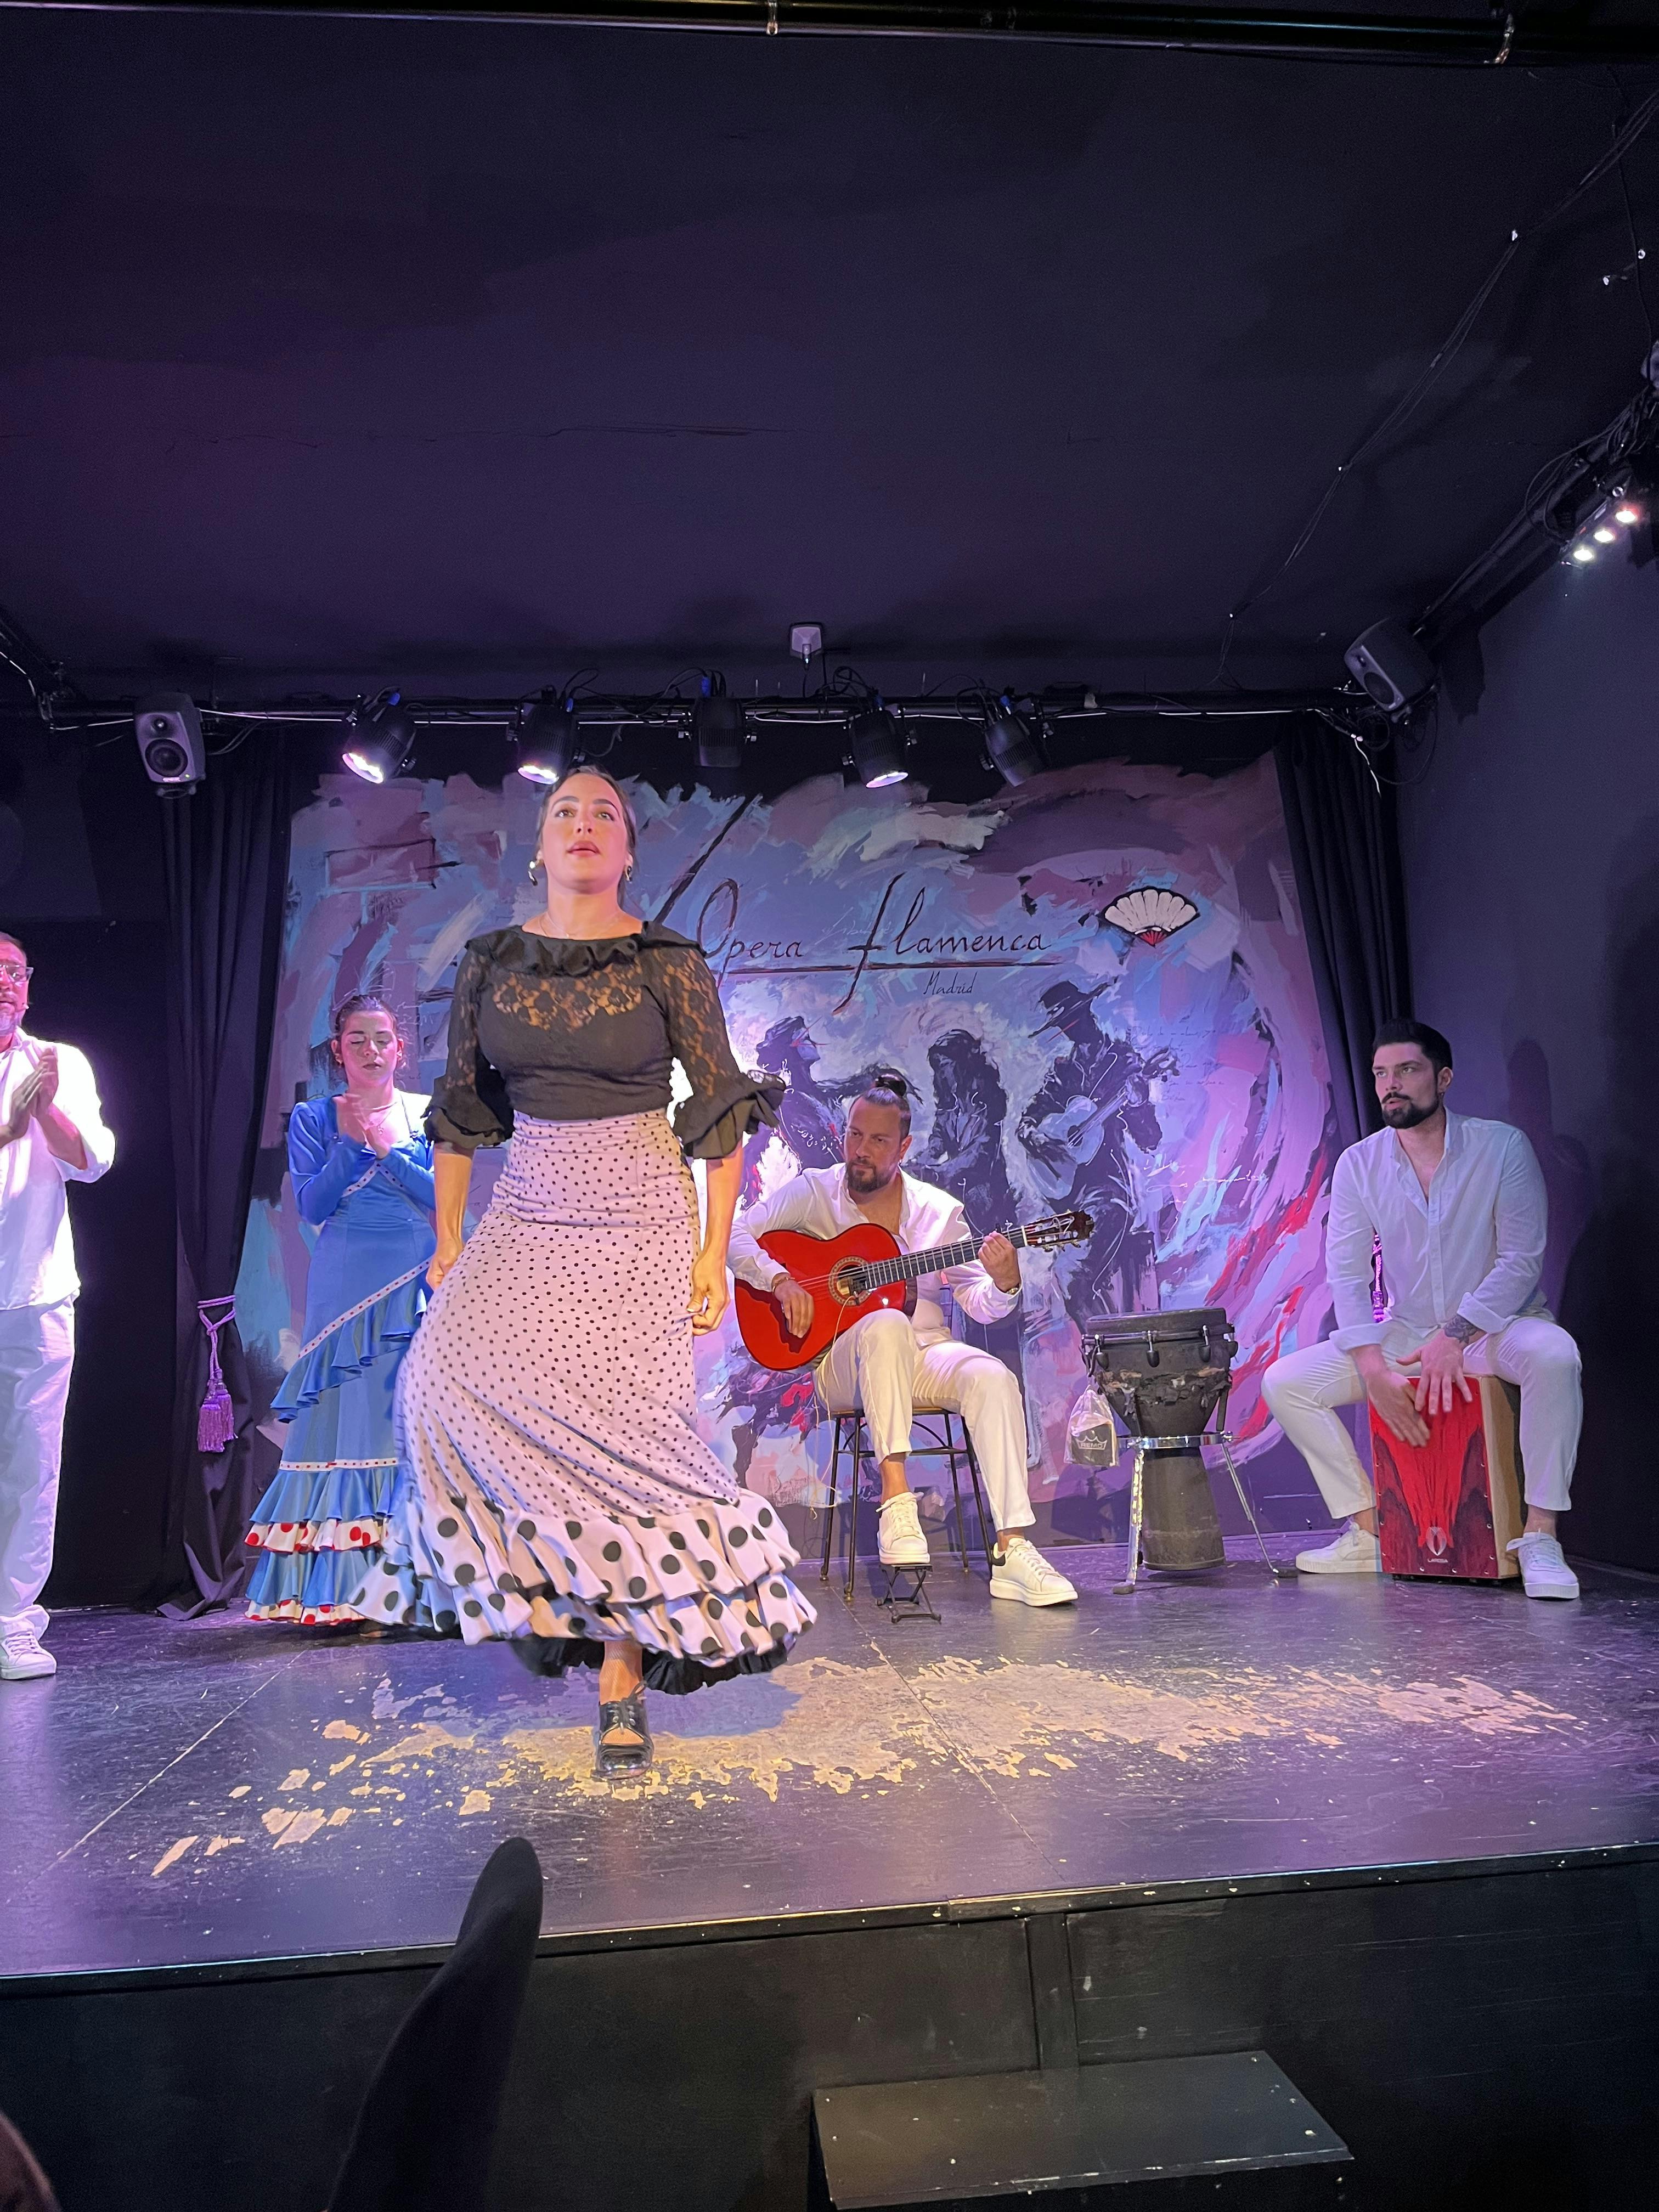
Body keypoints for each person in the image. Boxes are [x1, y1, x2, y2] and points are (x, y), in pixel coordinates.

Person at [352, 766, 814, 1776]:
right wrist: (448, 1240)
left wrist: (709, 1249)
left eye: (606, 812)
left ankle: (620, 1675)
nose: (584, 824)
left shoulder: (666, 959)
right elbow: (460, 1112)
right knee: (433, 1383)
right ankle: (542, 1590)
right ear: (540, 844)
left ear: (628, 849)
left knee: (627, 1438)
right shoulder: (489, 962)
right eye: (566, 809)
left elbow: (721, 1116)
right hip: (529, 1201)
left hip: (639, 1206)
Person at [727, 1077, 1079, 1606]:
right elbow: (734, 1234)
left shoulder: (938, 1212)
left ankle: (1013, 1550)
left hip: (925, 1352)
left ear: (904, 1148)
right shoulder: (814, 1192)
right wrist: (779, 1280)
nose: (860, 1150)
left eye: (878, 1141)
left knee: (992, 1377)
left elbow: (979, 1302)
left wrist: (1006, 1283)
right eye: (855, 1135)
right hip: (843, 1362)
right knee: (886, 1324)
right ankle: (897, 1500)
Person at [1262, 1019, 1581, 1600]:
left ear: (1444, 1078)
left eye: (1407, 1070)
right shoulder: (1360, 1164)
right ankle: (1369, 1531)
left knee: (1556, 1356)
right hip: (1407, 1334)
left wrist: (1455, 1336)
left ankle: (1540, 1535)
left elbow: (1521, 1261)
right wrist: (1372, 1370)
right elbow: (1348, 1274)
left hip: (1494, 1330)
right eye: (1381, 1074)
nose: (1391, 1085)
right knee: (1286, 1382)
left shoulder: (1501, 1147)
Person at [245, 996, 436, 1623]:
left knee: (406, 1418)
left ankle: (420, 1589)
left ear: (399, 1049)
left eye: (382, 1040)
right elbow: (313, 1206)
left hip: (412, 1279)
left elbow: (442, 1195)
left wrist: (388, 1150)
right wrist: (352, 1146)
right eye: (358, 1041)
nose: (371, 1051)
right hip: (345, 1285)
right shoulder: (314, 1117)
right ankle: (344, 1591)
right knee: (347, 1419)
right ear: (338, 1050)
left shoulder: (425, 1112)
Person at [0, 933, 115, 1682]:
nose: (4, 984)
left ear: (29, 985)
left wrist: (42, 1112)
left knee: (30, 1470)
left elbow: (94, 1161)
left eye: (13, 972)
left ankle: (13, 1624)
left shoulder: (58, 1061)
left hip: (36, 1294)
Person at [1017, 980, 1175, 1324]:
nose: (1068, 1028)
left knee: (1071, 1276)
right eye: (1062, 1023)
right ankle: (1107, 1346)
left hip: (1108, 1191)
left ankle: (1106, 1350)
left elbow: (1149, 1139)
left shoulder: (1123, 1062)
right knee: (1058, 1275)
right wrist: (1036, 1139)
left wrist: (1138, 1103)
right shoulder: (1063, 1072)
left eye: (1071, 1018)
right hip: (1067, 1196)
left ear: (1087, 1011)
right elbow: (1027, 1121)